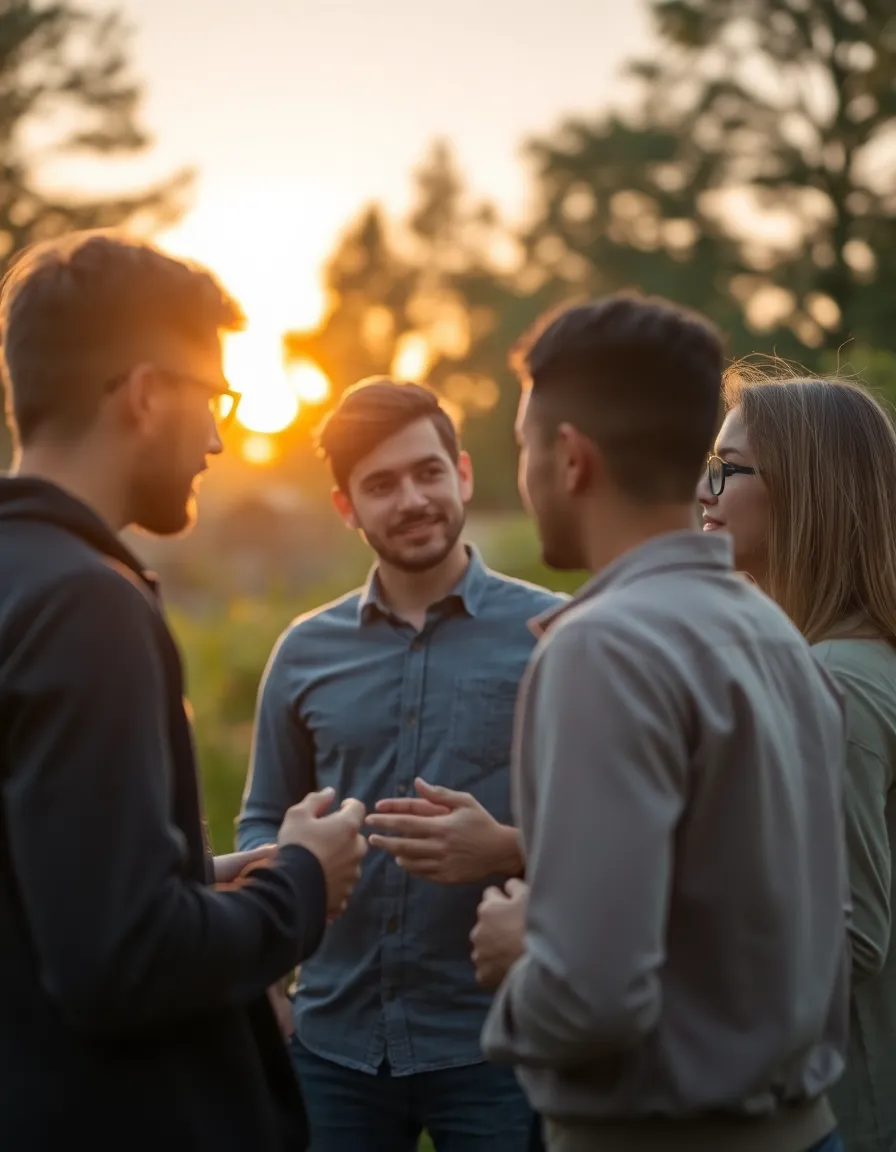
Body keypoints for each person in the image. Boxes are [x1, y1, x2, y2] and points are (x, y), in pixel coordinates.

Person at [0, 232, 368, 1152]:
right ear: (145, 392)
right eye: (214, 399)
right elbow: (123, 963)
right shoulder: (87, 604)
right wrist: (299, 881)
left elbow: (42, 891)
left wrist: (192, 883)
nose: (216, 436)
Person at [473, 295, 850, 1152]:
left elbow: (593, 999)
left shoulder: (603, 647)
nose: (525, 474)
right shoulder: (775, 634)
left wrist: (518, 961)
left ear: (570, 459)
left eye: (526, 445)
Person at [238, 376, 563, 1151]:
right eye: (380, 485)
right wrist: (262, 972)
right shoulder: (302, 652)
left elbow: (610, 835)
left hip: (498, 1041)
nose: (412, 499)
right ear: (346, 507)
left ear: (464, 472)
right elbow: (262, 816)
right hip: (330, 1042)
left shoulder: (556, 635)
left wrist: (506, 845)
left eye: (427, 472)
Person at [698, 367, 896, 1152]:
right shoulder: (834, 659)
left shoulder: (837, 680)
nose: (704, 491)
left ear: (807, 489)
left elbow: (850, 943)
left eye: (727, 467)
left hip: (849, 1115)